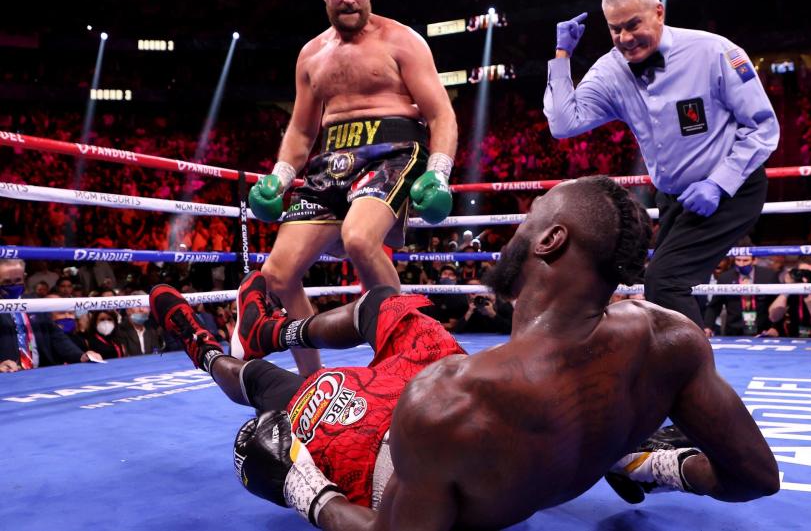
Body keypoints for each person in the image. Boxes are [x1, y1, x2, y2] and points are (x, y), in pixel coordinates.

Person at [152, 176, 778, 529]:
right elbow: (756, 477)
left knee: (272, 391)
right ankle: (280, 329)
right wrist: (659, 465)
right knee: (394, 307)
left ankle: (209, 351)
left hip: (382, 456)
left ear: (552, 240)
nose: (519, 227)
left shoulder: (451, 401)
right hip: (467, 412)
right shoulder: (668, 340)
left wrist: (304, 491)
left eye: (531, 217)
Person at [244, 0, 458, 377]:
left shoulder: (402, 40)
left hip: (392, 151)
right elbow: (303, 132)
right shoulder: (311, 56)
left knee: (359, 239)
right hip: (330, 162)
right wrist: (279, 177)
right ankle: (311, 383)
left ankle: (405, 363)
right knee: (278, 275)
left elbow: (441, 114)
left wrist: (439, 171)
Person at [543, 0, 779, 328]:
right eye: (615, 29)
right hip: (673, 197)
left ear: (658, 12)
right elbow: (563, 123)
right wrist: (563, 56)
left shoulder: (714, 52)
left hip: (734, 186)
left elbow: (763, 126)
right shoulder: (611, 71)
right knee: (658, 288)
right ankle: (676, 371)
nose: (625, 38)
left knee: (666, 282)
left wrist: (719, 183)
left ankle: (693, 379)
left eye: (633, 25)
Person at [0, 258, 103, 372]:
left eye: (18, 280)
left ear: (24, 278)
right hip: (7, 376)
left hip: (42, 373)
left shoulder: (34, 302)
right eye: (7, 282)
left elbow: (55, 335)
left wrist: (80, 356)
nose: (13, 285)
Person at [703, 250, 778, 336]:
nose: (741, 264)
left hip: (763, 330)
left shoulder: (768, 276)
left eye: (745, 260)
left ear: (754, 260)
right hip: (733, 331)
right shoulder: (726, 278)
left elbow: (777, 303)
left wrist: (775, 327)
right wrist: (708, 327)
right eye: (738, 260)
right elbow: (714, 306)